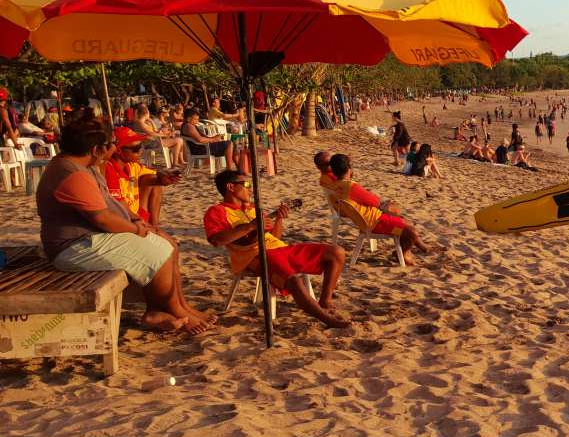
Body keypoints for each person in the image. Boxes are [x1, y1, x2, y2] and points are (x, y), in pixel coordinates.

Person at [36, 118, 213, 334]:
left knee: (169, 245)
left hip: (90, 238)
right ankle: (174, 310)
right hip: (74, 247)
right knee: (160, 252)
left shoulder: (84, 167)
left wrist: (137, 220)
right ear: (95, 149)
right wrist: (138, 230)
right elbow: (103, 219)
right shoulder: (72, 175)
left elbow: (112, 201)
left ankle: (176, 307)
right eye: (110, 144)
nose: (113, 147)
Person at [205, 170, 348, 328]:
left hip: (279, 248)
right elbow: (217, 241)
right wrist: (250, 227)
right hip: (253, 256)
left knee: (336, 252)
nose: (250, 188)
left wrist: (279, 219)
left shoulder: (253, 209)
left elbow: (275, 237)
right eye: (245, 184)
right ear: (231, 187)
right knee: (294, 280)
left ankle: (325, 300)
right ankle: (326, 318)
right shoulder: (217, 211)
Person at [326, 154, 441, 266]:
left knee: (407, 223)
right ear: (349, 169)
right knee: (411, 231)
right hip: (374, 223)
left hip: (365, 220)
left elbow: (344, 211)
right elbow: (376, 201)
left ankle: (418, 248)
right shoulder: (351, 186)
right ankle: (406, 253)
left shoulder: (335, 187)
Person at [103, 127, 181, 226]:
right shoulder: (110, 169)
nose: (140, 151)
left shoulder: (132, 166)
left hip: (137, 214)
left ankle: (155, 226)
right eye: (136, 149)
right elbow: (118, 206)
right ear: (118, 151)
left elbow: (155, 173)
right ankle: (154, 229)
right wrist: (138, 221)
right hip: (126, 220)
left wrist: (163, 178)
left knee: (153, 180)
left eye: (141, 146)